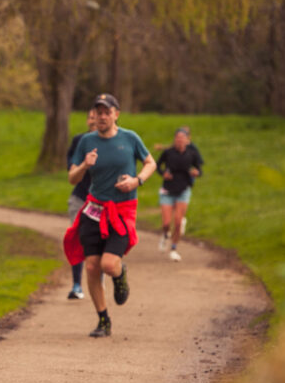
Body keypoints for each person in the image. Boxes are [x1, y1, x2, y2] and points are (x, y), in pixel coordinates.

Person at [64, 93, 156, 338]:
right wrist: (84, 165)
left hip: (122, 211)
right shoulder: (86, 141)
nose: (102, 116)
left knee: (108, 264)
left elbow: (150, 163)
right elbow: (72, 177)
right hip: (93, 210)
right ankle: (103, 320)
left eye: (107, 112)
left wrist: (137, 180)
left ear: (116, 114)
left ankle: (119, 273)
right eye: (98, 112)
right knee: (92, 266)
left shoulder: (130, 138)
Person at [156, 128, 203, 261]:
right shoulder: (168, 153)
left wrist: (196, 172)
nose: (180, 140)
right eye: (177, 138)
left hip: (183, 190)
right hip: (167, 189)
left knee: (177, 222)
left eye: (183, 138)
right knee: (166, 223)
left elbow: (199, 169)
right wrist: (163, 173)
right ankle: (165, 235)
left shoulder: (192, 154)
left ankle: (174, 248)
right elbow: (157, 166)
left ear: (188, 140)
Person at [66, 109, 97, 299]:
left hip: (101, 202)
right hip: (79, 198)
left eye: (99, 116)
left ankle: (97, 279)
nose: (95, 120)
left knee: (97, 243)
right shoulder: (79, 142)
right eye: (91, 117)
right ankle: (77, 284)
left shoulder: (111, 143)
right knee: (77, 240)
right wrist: (85, 165)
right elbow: (71, 172)